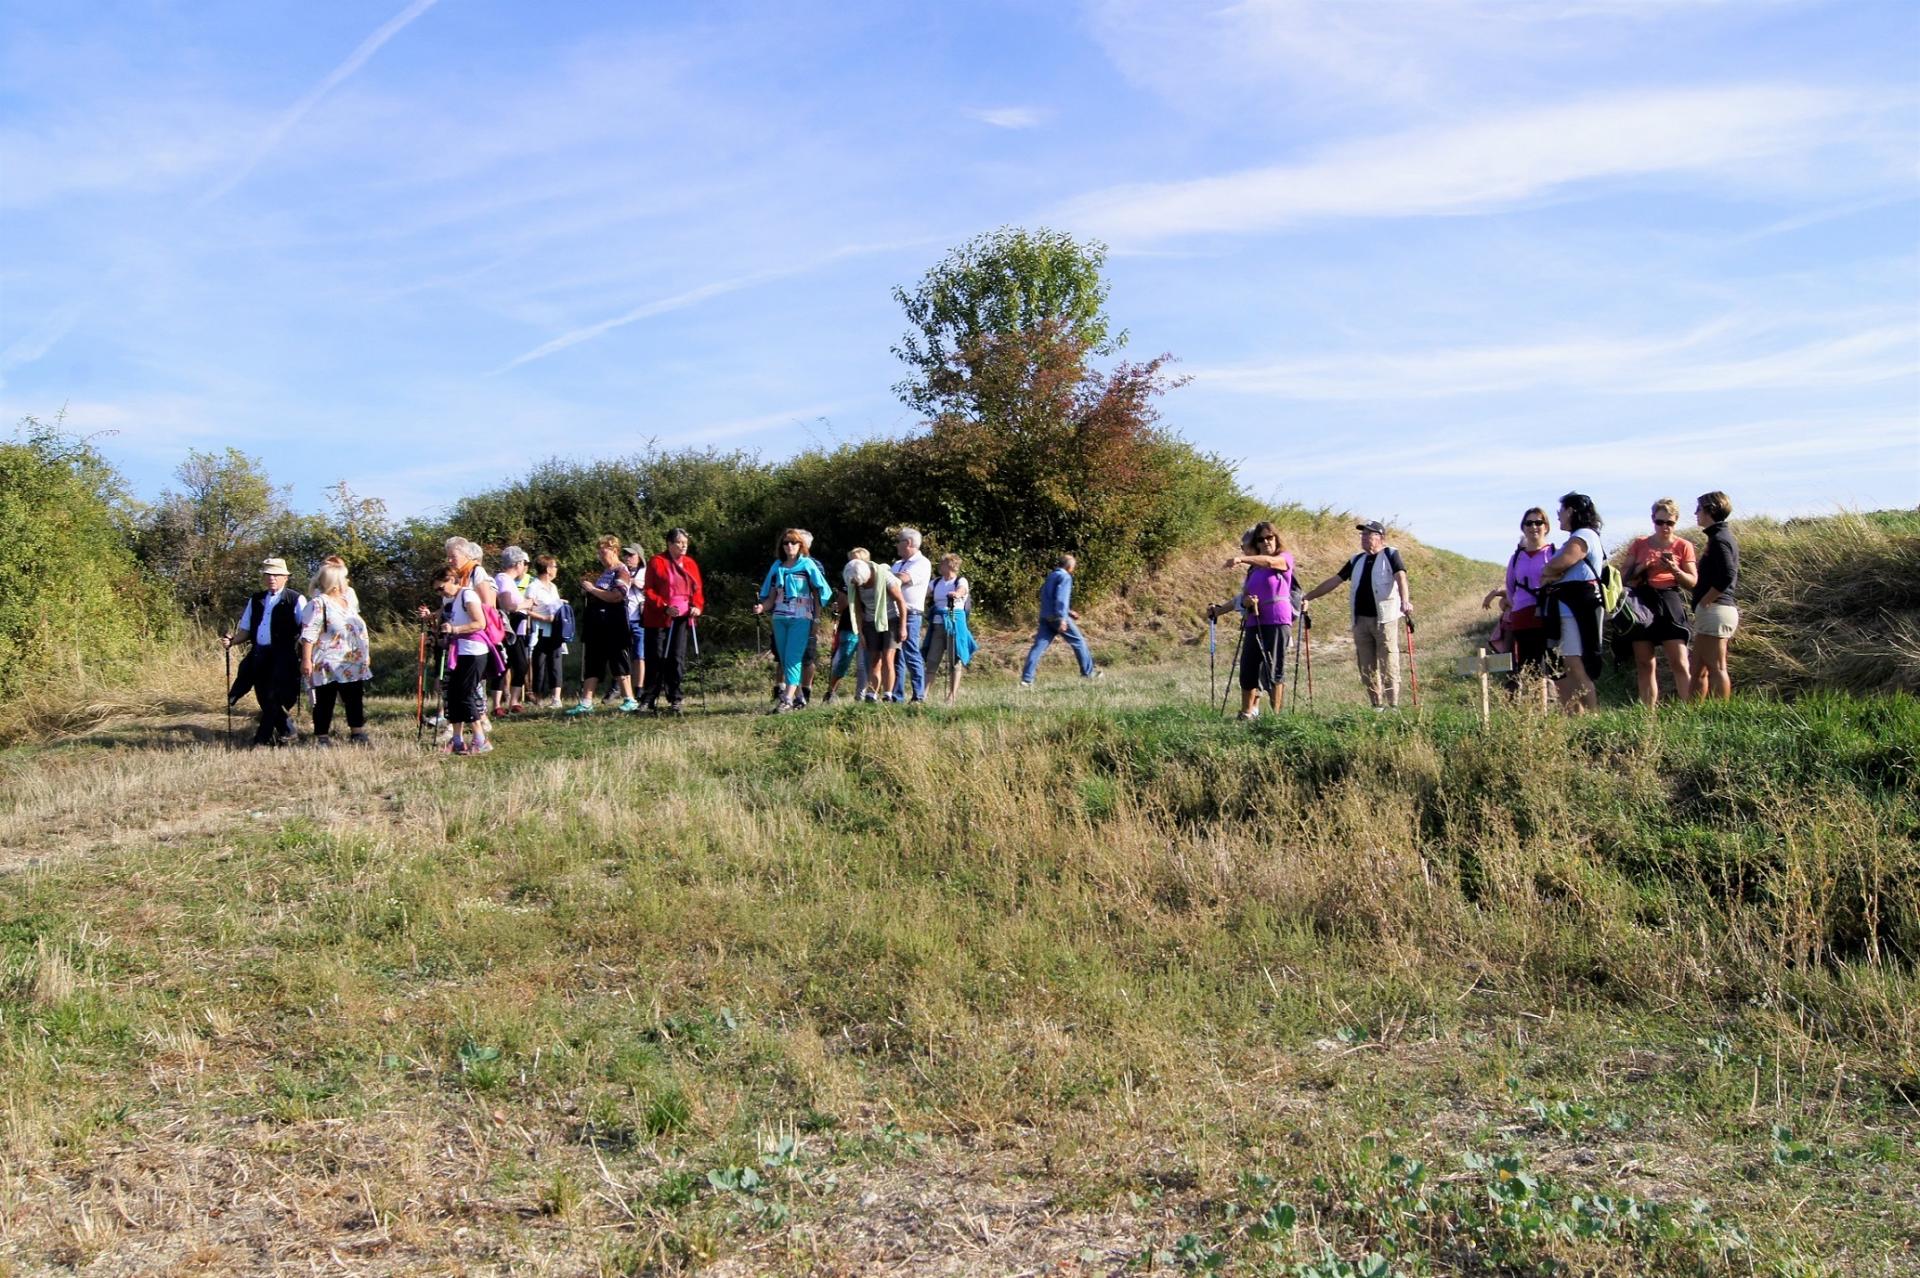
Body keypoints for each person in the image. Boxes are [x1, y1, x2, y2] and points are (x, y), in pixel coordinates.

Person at [1301, 521, 1411, 710]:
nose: (1364, 538)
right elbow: (1335, 580)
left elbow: (1400, 576)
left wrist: (1405, 601)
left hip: (1385, 619)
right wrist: (1309, 596)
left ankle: (1393, 706)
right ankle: (1376, 706)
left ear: (1381, 538)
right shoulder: (1356, 560)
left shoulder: (1391, 554)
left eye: (1369, 534)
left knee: (1389, 662)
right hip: (1360, 621)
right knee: (1366, 665)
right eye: (1363, 535)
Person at [1210, 522, 1295, 720]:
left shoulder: (1284, 558)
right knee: (1248, 667)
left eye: (1269, 538)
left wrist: (1242, 559)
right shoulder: (1253, 571)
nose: (1266, 542)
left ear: (1276, 538)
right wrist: (1221, 610)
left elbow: (1270, 562)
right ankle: (1247, 714)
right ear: (1256, 543)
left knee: (1273, 667)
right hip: (1254, 620)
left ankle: (1275, 717)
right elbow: (1242, 597)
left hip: (1276, 620)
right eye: (1261, 539)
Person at [223, 556, 307, 747]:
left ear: (285, 577)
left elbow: (306, 628)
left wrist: (306, 654)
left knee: (274, 697)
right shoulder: (256, 599)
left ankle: (261, 739)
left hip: (283, 656)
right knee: (263, 696)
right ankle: (288, 731)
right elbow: (245, 630)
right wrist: (232, 641)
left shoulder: (295, 599)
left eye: (276, 574)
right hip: (259, 654)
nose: (271, 578)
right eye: (268, 574)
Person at [1624, 499, 1697, 710]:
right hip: (1642, 601)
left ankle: (1689, 710)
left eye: (1670, 523)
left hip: (1669, 599)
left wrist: (1674, 568)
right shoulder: (1640, 544)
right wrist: (1641, 567)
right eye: (1660, 522)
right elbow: (1622, 577)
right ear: (1653, 520)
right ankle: (1648, 714)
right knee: (1645, 663)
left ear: (1676, 522)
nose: (1665, 527)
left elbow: (1692, 582)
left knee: (1680, 661)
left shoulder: (1683, 545)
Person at [1540, 492, 1607, 715]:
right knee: (1570, 664)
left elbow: (1558, 564)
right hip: (1570, 607)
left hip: (1578, 608)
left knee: (1576, 664)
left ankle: (1593, 716)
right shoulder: (1579, 535)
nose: (1558, 516)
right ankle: (1575, 716)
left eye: (1561, 511)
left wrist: (1551, 571)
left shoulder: (1583, 535)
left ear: (1571, 511)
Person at [754, 528, 834, 713]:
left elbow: (818, 593)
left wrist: (816, 619)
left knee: (793, 657)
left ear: (801, 545)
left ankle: (787, 699)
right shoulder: (777, 566)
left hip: (801, 617)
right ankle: (799, 698)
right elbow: (771, 597)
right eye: (786, 543)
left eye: (793, 542)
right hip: (780, 617)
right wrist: (761, 607)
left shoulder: (808, 565)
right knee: (784, 657)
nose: (789, 546)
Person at [1482, 508, 1556, 695]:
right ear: (1523, 528)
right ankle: (1534, 711)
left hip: (1548, 617)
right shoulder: (1516, 559)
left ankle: (1549, 708)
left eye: (1538, 522)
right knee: (1527, 665)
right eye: (1529, 523)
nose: (1534, 527)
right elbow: (1511, 589)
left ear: (1546, 526)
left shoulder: (1554, 553)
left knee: (1548, 666)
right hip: (1522, 618)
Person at [299, 562, 372, 747]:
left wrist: (366, 654)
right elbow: (308, 635)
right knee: (325, 701)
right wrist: (306, 660)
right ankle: (322, 737)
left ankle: (357, 733)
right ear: (335, 582)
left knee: (354, 699)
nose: (347, 581)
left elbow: (359, 629)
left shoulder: (348, 603)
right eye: (344, 578)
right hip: (328, 663)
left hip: (353, 662)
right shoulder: (318, 604)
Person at [568, 536, 639, 715]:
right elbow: (601, 594)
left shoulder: (621, 571)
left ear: (614, 550)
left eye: (603, 551)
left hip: (614, 624)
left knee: (618, 660)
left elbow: (617, 596)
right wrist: (590, 592)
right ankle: (586, 702)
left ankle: (630, 699)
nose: (600, 555)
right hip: (597, 625)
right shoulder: (604, 572)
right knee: (593, 660)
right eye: (598, 551)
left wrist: (592, 589)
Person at [639, 528, 704, 713]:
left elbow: (697, 589)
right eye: (679, 543)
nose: (683, 546)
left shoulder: (691, 563)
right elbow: (649, 590)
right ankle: (649, 697)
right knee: (655, 657)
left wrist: (697, 606)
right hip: (658, 617)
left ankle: (675, 697)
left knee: (676, 657)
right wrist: (664, 605)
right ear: (669, 544)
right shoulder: (657, 562)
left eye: (685, 543)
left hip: (682, 617)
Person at [435, 564, 493, 754]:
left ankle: (480, 740)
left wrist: (455, 630)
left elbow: (480, 623)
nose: (439, 593)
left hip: (474, 652)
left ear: (451, 580)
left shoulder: (467, 595)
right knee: (452, 695)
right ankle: (457, 740)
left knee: (464, 694)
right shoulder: (454, 599)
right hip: (459, 652)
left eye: (440, 588)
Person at [1689, 490, 1740, 702]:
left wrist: (1707, 599)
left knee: (1717, 666)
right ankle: (1692, 714)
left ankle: (1721, 714)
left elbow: (1727, 574)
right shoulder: (1717, 537)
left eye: (1699, 509)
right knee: (1698, 667)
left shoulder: (1720, 539)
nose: (1695, 513)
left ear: (1710, 510)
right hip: (1713, 610)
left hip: (1717, 609)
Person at [1020, 554, 1099, 687]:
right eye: (1074, 565)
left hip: (1046, 616)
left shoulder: (1051, 576)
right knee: (1078, 642)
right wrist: (1063, 618)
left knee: (1038, 647)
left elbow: (1049, 597)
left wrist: (1068, 611)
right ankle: (1088, 673)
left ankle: (1027, 679)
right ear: (1069, 566)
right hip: (1058, 617)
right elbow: (1061, 598)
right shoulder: (1065, 577)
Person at [844, 552, 906, 702]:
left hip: (891, 620)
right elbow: (858, 609)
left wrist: (902, 627)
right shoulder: (856, 583)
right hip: (871, 623)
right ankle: (872, 694)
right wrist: (860, 633)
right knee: (874, 659)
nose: (861, 586)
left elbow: (901, 603)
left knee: (888, 657)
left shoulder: (885, 578)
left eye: (862, 583)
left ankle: (888, 694)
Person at [921, 553, 976, 705]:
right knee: (932, 659)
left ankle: (952, 696)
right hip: (938, 623)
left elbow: (962, 590)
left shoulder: (960, 580)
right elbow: (924, 593)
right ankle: (923, 695)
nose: (939, 565)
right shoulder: (937, 582)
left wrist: (956, 594)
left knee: (954, 660)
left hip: (954, 622)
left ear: (950, 565)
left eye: (942, 563)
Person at [889, 529, 933, 703]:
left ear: (908, 543)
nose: (897, 545)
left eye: (899, 541)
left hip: (911, 614)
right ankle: (897, 696)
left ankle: (918, 695)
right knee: (897, 656)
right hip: (895, 613)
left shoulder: (922, 562)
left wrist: (887, 576)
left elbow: (902, 579)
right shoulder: (898, 563)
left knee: (911, 652)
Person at [821, 551, 868, 705]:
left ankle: (834, 692)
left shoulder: (850, 581)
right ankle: (851, 695)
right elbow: (841, 604)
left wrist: (841, 603)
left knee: (848, 661)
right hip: (855, 624)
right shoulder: (863, 581)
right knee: (853, 662)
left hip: (856, 626)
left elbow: (841, 604)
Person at [492, 546, 533, 716]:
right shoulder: (504, 579)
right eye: (524, 563)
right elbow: (508, 605)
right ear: (517, 563)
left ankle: (511, 702)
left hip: (518, 628)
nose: (525, 566)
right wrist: (528, 603)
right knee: (510, 665)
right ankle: (499, 704)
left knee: (512, 664)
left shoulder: (509, 581)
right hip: (510, 628)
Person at [524, 554, 567, 709]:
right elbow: (527, 610)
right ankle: (538, 697)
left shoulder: (553, 587)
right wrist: (544, 618)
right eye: (554, 566)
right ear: (548, 568)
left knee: (556, 662)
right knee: (539, 664)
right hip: (540, 631)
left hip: (555, 630)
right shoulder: (533, 587)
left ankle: (556, 698)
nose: (556, 570)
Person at [620, 541, 648, 695]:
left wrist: (634, 582)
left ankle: (639, 687)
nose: (627, 558)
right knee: (622, 654)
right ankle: (621, 687)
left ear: (639, 557)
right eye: (626, 555)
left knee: (639, 655)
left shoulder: (645, 572)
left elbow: (648, 588)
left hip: (638, 618)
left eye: (631, 555)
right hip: (623, 618)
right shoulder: (621, 571)